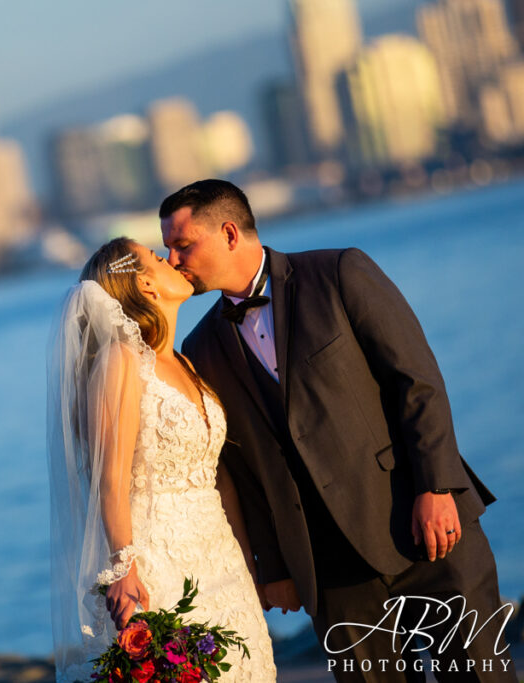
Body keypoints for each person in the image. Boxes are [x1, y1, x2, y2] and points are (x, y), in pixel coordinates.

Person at [162, 179, 516, 682]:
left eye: (182, 245)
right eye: (168, 249)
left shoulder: (338, 272)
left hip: (427, 527)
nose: (172, 260)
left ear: (228, 233)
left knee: (481, 676)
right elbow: (242, 469)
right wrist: (276, 568)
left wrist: (437, 488)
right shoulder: (201, 348)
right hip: (330, 568)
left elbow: (417, 382)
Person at [47, 237, 277, 683]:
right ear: (146, 286)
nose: (173, 260)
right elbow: (109, 478)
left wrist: (249, 566)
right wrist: (123, 568)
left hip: (221, 561)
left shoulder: (188, 364)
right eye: (157, 257)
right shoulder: (122, 361)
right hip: (159, 563)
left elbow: (216, 478)